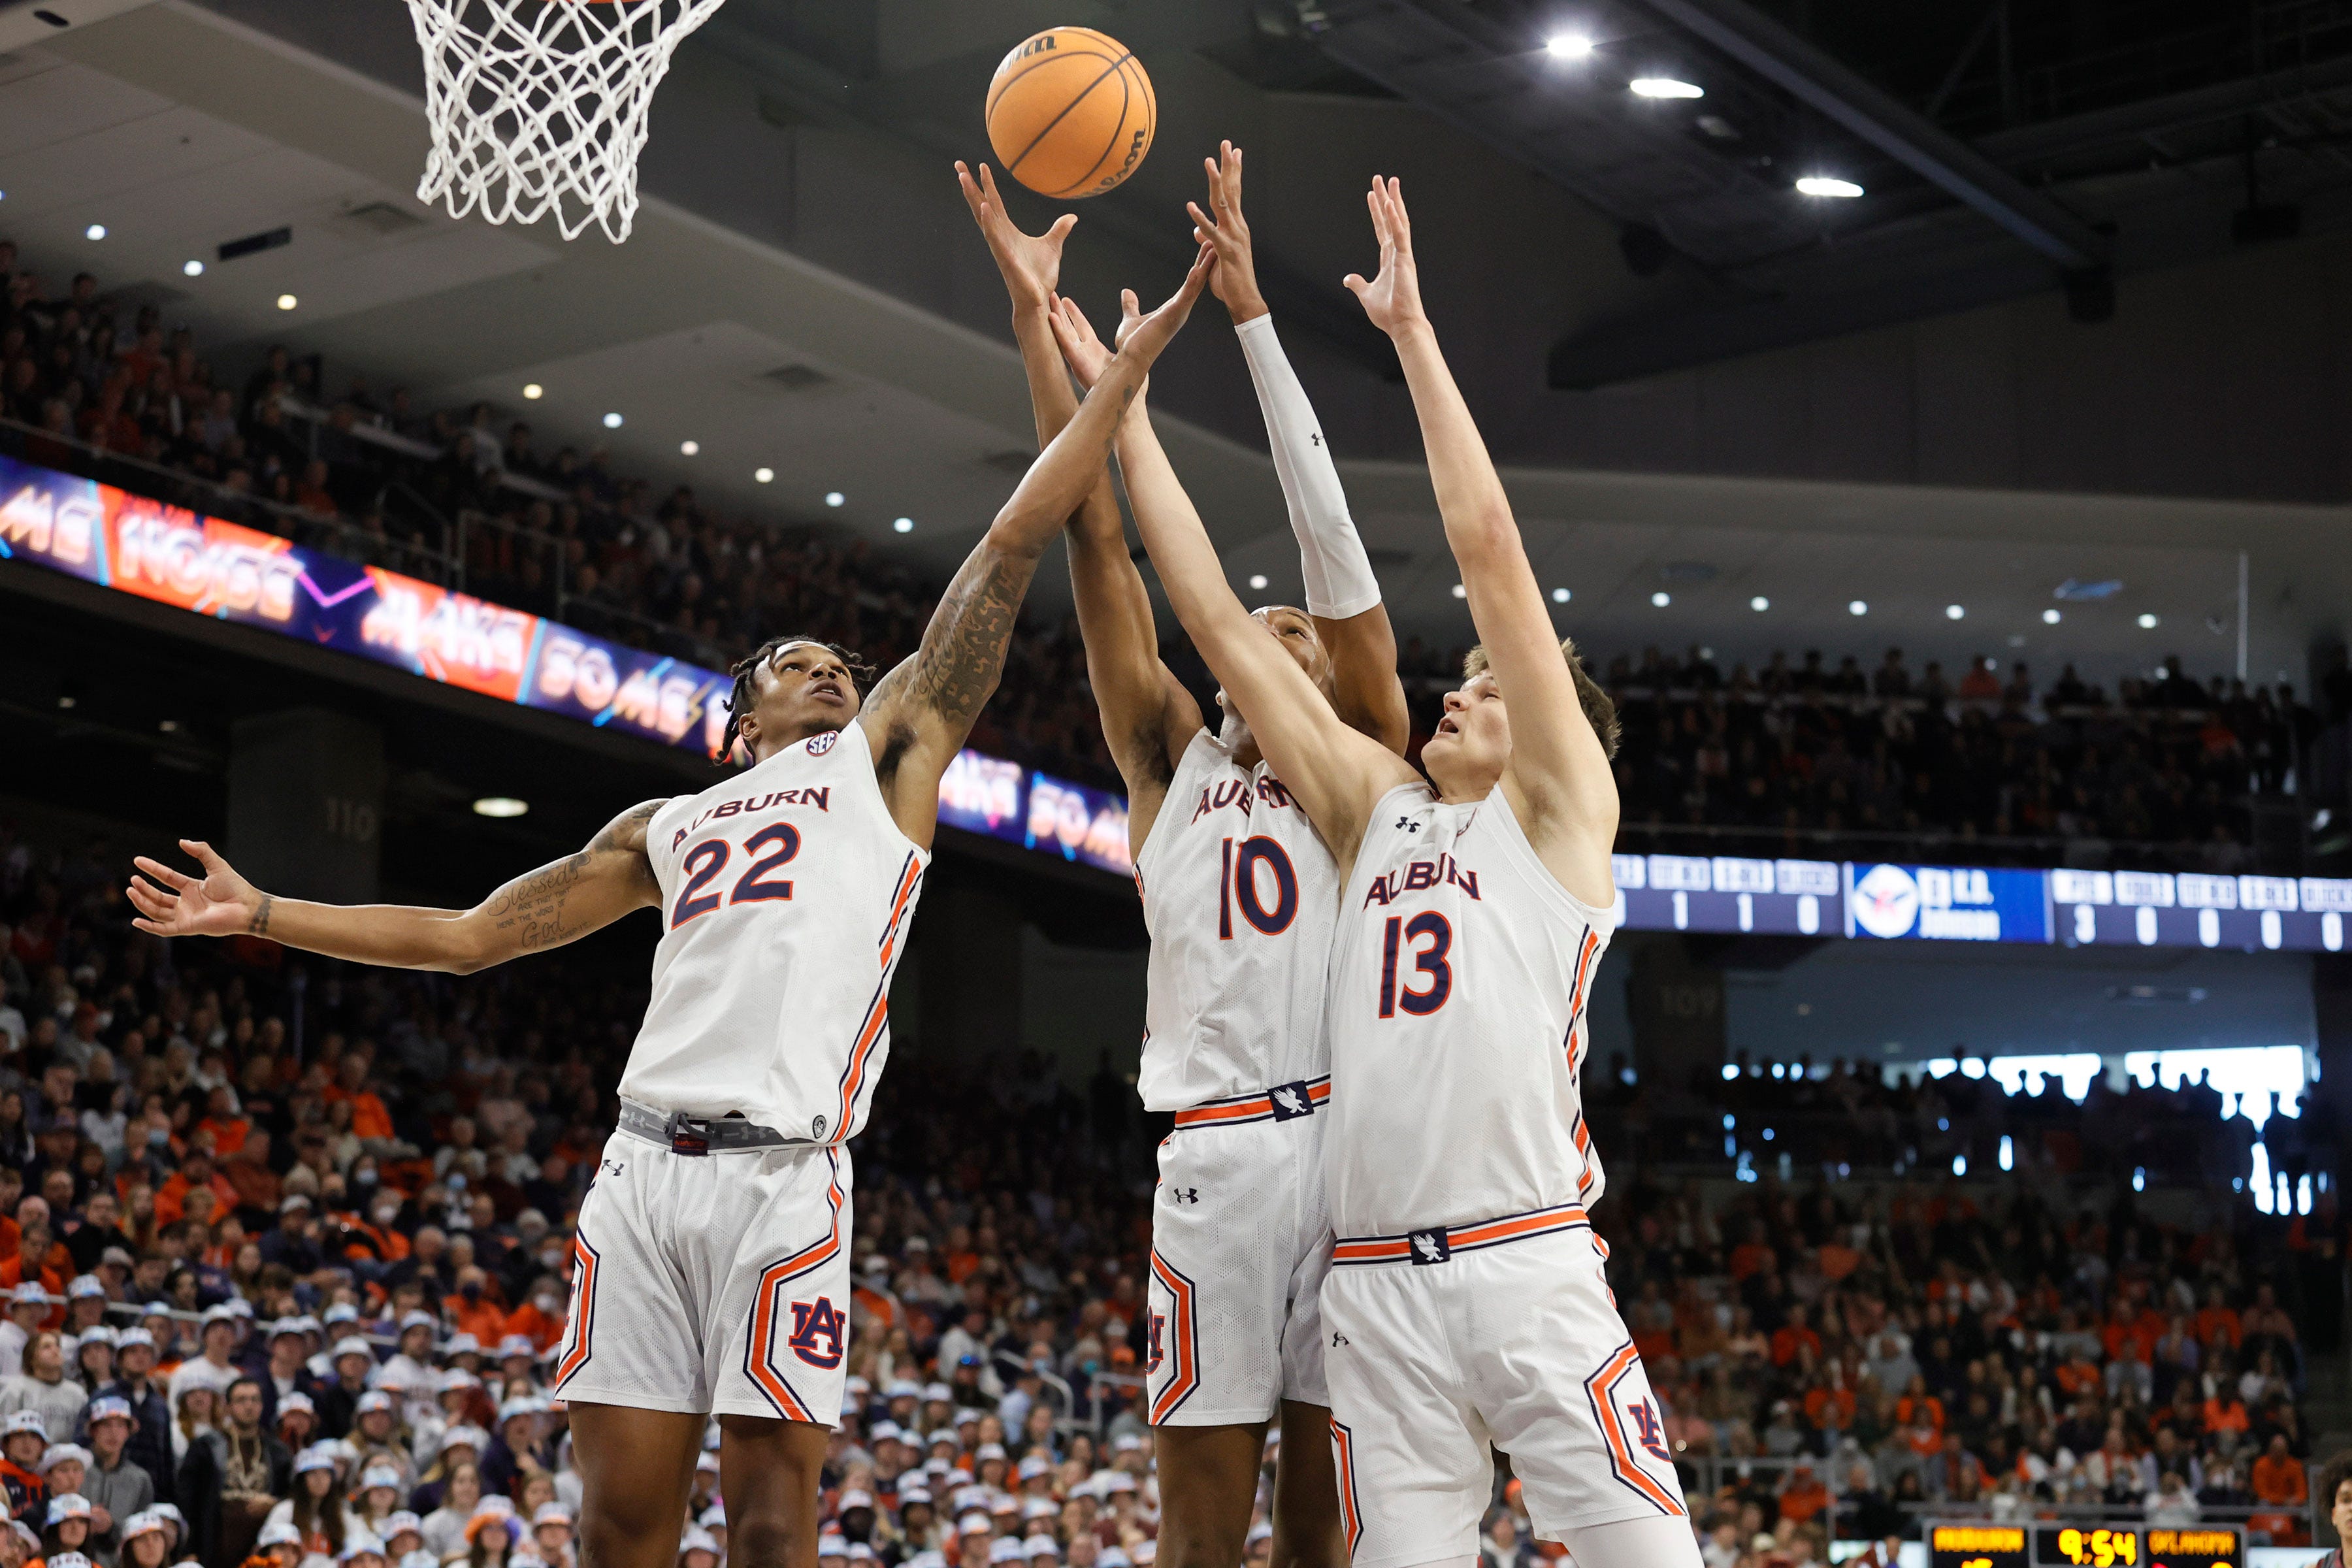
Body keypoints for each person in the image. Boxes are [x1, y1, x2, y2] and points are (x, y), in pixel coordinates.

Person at [123, 248, 1214, 1568]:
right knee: (618, 1529)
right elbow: (472, 936)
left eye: (837, 665)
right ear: (734, 725)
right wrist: (262, 912)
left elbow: (1012, 542)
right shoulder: (664, 828)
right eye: (791, 666)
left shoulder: (888, 759)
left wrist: (1089, 359)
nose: (824, 671)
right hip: (641, 1173)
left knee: (768, 1527)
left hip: (783, 1176)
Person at [1051, 175, 1692, 1568]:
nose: (1459, 696)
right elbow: (1214, 618)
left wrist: (1410, 337)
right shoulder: (1378, 808)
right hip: (1375, 1286)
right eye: (1458, 687)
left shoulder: (1564, 815)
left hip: (1528, 1263)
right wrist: (1131, 411)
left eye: (1490, 690)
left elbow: (1488, 551)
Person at [959, 144, 1407, 1568]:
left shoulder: (1365, 770)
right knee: (1200, 1532)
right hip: (1214, 1159)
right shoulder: (1170, 761)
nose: (1273, 637)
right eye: (1251, 630)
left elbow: (1348, 591)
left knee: (1325, 1531)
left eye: (1293, 638)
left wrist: (1252, 323)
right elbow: (1096, 540)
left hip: (1350, 1148)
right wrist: (1050, 337)